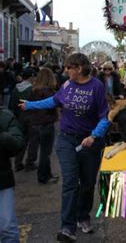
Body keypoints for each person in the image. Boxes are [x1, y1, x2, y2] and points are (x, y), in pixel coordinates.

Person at [19, 53, 110, 242]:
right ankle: (67, 227)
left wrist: (94, 135)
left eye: (70, 67)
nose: (66, 70)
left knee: (87, 183)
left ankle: (83, 217)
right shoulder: (68, 84)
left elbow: (104, 116)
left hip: (90, 143)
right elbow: (54, 101)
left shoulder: (97, 87)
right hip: (66, 140)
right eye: (67, 67)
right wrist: (31, 105)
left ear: (80, 68)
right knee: (70, 182)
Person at [22, 68, 59, 184]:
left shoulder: (33, 90)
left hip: (34, 124)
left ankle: (44, 173)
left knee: (37, 148)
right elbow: (52, 106)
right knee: (45, 152)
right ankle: (44, 176)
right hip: (46, 123)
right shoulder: (49, 92)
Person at [0, 108, 24, 242]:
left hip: (2, 181)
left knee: (7, 227)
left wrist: (2, 136)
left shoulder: (4, 116)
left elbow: (18, 144)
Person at [9, 68, 35, 172]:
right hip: (31, 117)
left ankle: (17, 162)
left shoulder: (16, 89)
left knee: (21, 140)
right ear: (31, 77)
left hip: (20, 117)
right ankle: (30, 162)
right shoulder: (32, 90)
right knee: (33, 141)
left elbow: (11, 105)